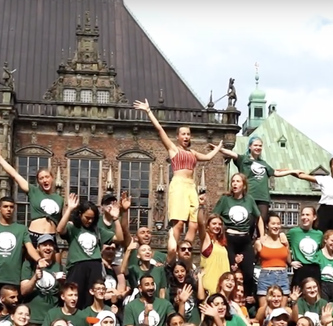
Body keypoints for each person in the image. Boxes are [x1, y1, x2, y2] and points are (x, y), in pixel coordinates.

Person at [134, 99, 222, 245]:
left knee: (194, 224)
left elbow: (207, 157)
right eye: (183, 134)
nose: (186, 137)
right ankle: (174, 250)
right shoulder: (173, 150)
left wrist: (219, 148)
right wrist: (149, 112)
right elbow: (160, 130)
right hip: (179, 185)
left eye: (188, 134)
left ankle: (185, 247)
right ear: (178, 136)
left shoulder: (193, 153)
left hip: (191, 186)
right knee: (179, 224)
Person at [58, 193, 126, 310]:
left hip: (94, 265)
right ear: (80, 215)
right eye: (87, 217)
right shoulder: (73, 228)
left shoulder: (98, 231)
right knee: (75, 296)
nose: (89, 221)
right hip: (77, 265)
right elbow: (59, 229)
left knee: (92, 298)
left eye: (92, 218)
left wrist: (116, 218)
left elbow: (119, 238)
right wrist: (69, 209)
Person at [0, 146, 64, 248]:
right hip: (34, 235)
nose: (44, 180)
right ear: (38, 181)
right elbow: (15, 175)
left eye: (47, 177)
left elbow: (61, 222)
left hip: (51, 237)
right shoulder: (33, 191)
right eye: (41, 178)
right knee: (29, 263)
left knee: (55, 264)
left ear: (52, 178)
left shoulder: (59, 199)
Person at [215, 137, 295, 222]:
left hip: (263, 197)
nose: (258, 147)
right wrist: (218, 149)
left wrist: (292, 171)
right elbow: (233, 154)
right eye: (255, 145)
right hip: (250, 195)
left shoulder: (263, 163)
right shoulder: (243, 159)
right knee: (249, 222)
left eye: (260, 146)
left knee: (262, 221)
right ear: (250, 147)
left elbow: (275, 173)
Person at [0, 197, 38, 298]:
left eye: (11, 207)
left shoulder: (21, 229)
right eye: (5, 206)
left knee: (11, 310)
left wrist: (39, 259)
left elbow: (30, 248)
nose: (9, 209)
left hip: (13, 278)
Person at [287, 207, 323, 288]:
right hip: (300, 268)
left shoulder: (319, 234)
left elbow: (326, 250)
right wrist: (290, 262)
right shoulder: (293, 232)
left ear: (314, 217)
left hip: (315, 268)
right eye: (303, 215)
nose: (304, 217)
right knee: (297, 295)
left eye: (307, 215)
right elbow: (283, 245)